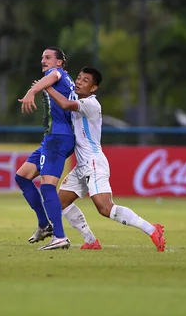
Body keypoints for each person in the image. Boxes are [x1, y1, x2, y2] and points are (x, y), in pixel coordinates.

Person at [44, 67, 166, 252]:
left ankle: (152, 229)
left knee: (105, 208)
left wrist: (46, 87)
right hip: (82, 165)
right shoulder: (77, 98)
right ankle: (91, 241)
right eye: (78, 78)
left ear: (93, 88)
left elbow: (65, 105)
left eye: (85, 81)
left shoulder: (92, 104)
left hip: (93, 163)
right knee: (58, 203)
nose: (79, 82)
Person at [16, 47, 77, 250]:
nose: (43, 60)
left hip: (57, 138)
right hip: (53, 138)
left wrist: (31, 92)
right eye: (42, 57)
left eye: (48, 57)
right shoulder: (62, 79)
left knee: (48, 187)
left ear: (59, 62)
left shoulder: (56, 73)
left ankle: (59, 236)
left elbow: (52, 76)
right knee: (22, 177)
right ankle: (44, 225)